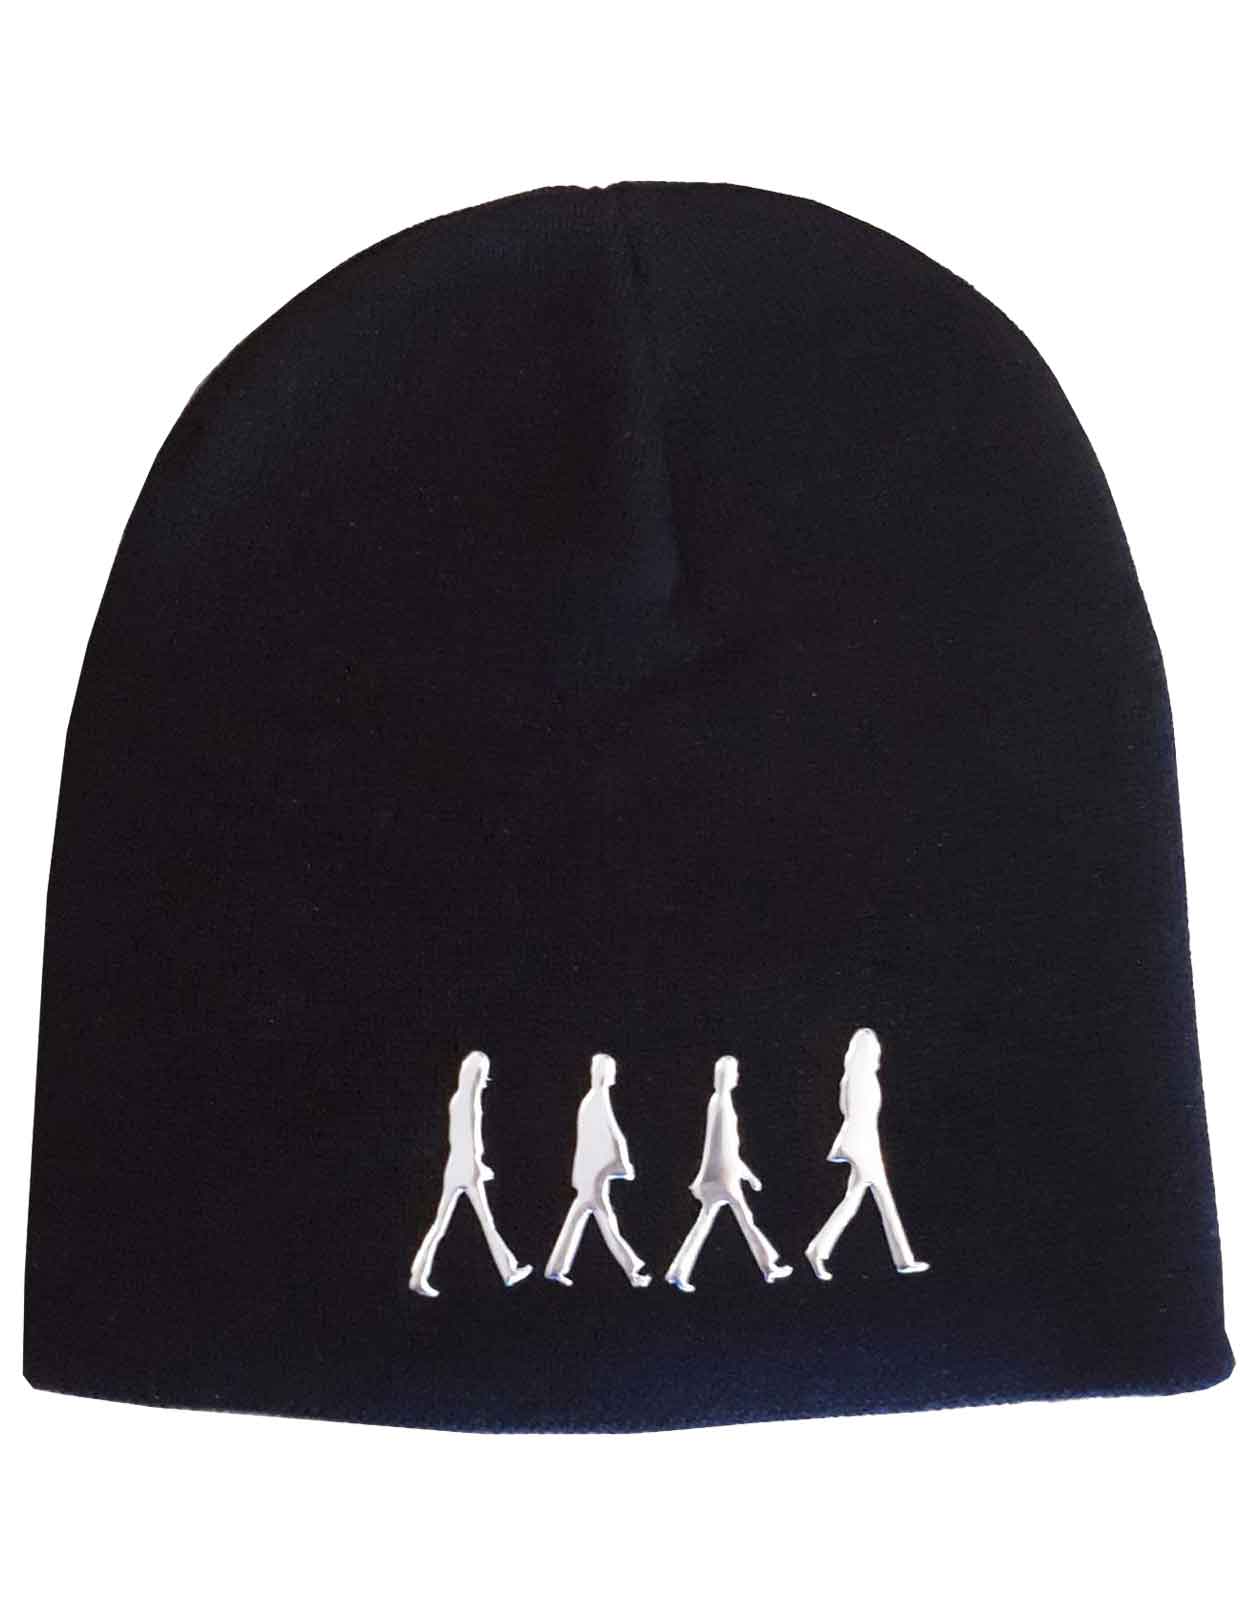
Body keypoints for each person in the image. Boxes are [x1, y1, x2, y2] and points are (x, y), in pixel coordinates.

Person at [805, 1027, 929, 1279]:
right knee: (868, 1199)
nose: (878, 1055)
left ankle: (903, 1260)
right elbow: (858, 1117)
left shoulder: (854, 1077)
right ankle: (818, 1250)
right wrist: (865, 1149)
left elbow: (852, 1113)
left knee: (870, 1199)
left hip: (866, 1144)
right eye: (875, 1051)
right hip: (862, 1145)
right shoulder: (862, 1079)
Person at [408, 1051, 532, 1297]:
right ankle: (507, 1270)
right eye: (484, 1075)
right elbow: (472, 1138)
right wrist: (478, 1164)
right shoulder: (470, 1101)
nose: (486, 1081)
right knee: (486, 1223)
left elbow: (456, 1138)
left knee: (440, 1225)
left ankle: (419, 1275)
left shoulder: (457, 1098)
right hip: (467, 1166)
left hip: (454, 1166)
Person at [665, 1057, 792, 1292]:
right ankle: (768, 1266)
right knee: (746, 1221)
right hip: (724, 1178)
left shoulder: (719, 1101)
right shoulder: (722, 1104)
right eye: (734, 1072)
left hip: (717, 1177)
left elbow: (722, 1148)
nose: (737, 1076)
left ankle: (678, 1271)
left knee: (705, 1225)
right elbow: (725, 1149)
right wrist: (748, 1175)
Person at [545, 1054, 651, 1288]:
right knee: (607, 1223)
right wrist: (622, 1164)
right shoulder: (598, 1100)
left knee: (580, 1220)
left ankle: (555, 1269)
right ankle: (632, 1271)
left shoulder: (591, 1100)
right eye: (611, 1071)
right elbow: (614, 1136)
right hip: (594, 1177)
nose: (614, 1076)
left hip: (590, 1175)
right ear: (604, 1073)